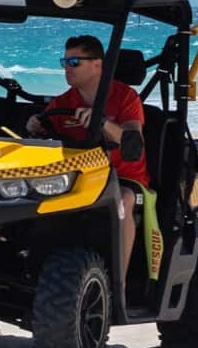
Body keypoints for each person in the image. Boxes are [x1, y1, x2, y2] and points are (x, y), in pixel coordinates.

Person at [26, 35, 147, 278]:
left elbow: (133, 141)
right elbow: (46, 138)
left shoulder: (125, 97)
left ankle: (119, 283)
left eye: (74, 63)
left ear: (97, 64)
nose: (67, 69)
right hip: (79, 177)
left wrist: (103, 123)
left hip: (123, 176)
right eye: (65, 62)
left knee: (123, 200)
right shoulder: (63, 101)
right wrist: (34, 126)